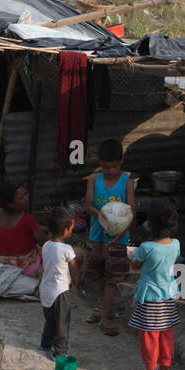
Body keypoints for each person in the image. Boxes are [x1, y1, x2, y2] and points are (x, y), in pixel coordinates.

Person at [82, 139, 136, 336]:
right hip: (97, 236)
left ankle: (105, 316)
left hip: (117, 239)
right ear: (100, 163)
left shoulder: (127, 183)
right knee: (101, 275)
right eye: (106, 167)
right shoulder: (94, 180)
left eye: (114, 166)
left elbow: (132, 211)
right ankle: (108, 309)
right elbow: (87, 205)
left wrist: (121, 231)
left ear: (121, 162)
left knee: (113, 278)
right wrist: (103, 215)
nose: (110, 171)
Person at [128, 200, 181, 370]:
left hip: (150, 298)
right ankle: (165, 369)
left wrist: (133, 257)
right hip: (168, 296)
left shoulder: (146, 248)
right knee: (166, 333)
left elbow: (134, 264)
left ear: (151, 225)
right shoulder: (176, 244)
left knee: (149, 334)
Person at [38, 207, 81, 361]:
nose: (72, 230)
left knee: (50, 320)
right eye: (71, 228)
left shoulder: (45, 246)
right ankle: (59, 352)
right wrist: (75, 283)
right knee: (62, 323)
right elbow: (74, 268)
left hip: (46, 289)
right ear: (64, 231)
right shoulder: (67, 249)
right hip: (60, 291)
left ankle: (44, 344)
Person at [0, 181, 45, 270]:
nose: (26, 199)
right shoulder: (28, 220)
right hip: (23, 267)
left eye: (26, 194)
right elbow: (45, 243)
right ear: (10, 203)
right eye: (21, 197)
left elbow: (15, 232)